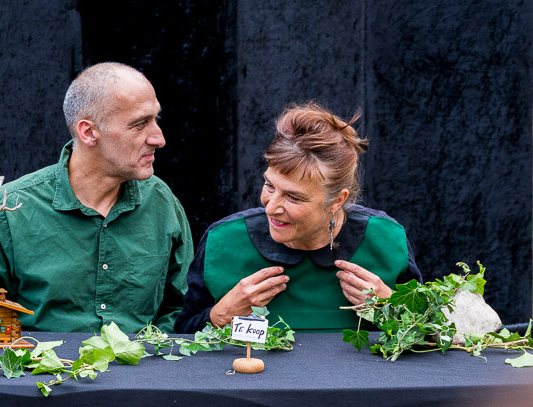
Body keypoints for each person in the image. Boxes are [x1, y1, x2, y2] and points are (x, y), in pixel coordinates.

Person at [0, 62, 193, 333]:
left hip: (144, 372)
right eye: (140, 124)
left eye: (156, 120)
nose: (159, 138)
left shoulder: (161, 202)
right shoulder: (5, 212)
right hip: (39, 373)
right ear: (88, 132)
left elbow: (181, 308)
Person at [175, 102, 422, 333]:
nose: (271, 208)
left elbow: (431, 338)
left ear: (337, 200)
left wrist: (393, 310)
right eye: (270, 186)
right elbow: (180, 334)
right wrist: (219, 315)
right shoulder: (224, 240)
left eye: (293, 198)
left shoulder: (386, 240)